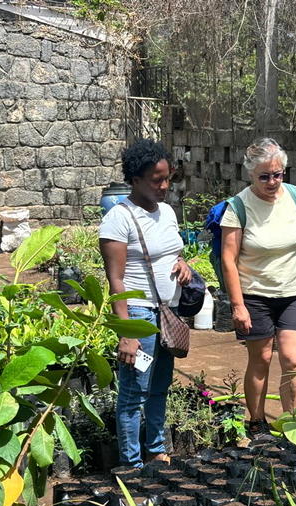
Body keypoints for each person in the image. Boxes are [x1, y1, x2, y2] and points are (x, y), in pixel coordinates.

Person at [99, 139, 192, 468]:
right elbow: (116, 281)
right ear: (136, 179)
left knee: (160, 388)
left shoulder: (166, 211)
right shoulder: (118, 219)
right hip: (138, 317)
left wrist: (183, 265)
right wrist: (127, 332)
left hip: (167, 315)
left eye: (168, 178)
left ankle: (156, 451)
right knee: (134, 392)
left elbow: (171, 251)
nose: (165, 186)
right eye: (157, 180)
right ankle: (132, 465)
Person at [220, 138, 296, 437]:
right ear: (250, 173)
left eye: (278, 174)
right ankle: (257, 422)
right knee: (260, 359)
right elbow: (228, 259)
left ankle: (293, 423)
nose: (273, 181)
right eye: (265, 176)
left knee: (292, 359)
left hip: (293, 292)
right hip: (255, 295)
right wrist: (238, 305)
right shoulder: (238, 206)